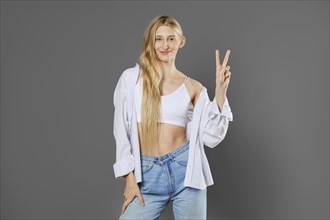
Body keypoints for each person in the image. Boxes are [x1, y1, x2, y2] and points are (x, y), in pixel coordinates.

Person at [113, 15, 233, 219]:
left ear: (181, 41)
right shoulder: (131, 79)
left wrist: (220, 92)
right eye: (159, 38)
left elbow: (212, 137)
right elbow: (120, 129)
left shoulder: (193, 87)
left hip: (185, 172)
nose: (164, 45)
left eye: (171, 38)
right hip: (147, 174)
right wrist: (128, 179)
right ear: (152, 41)